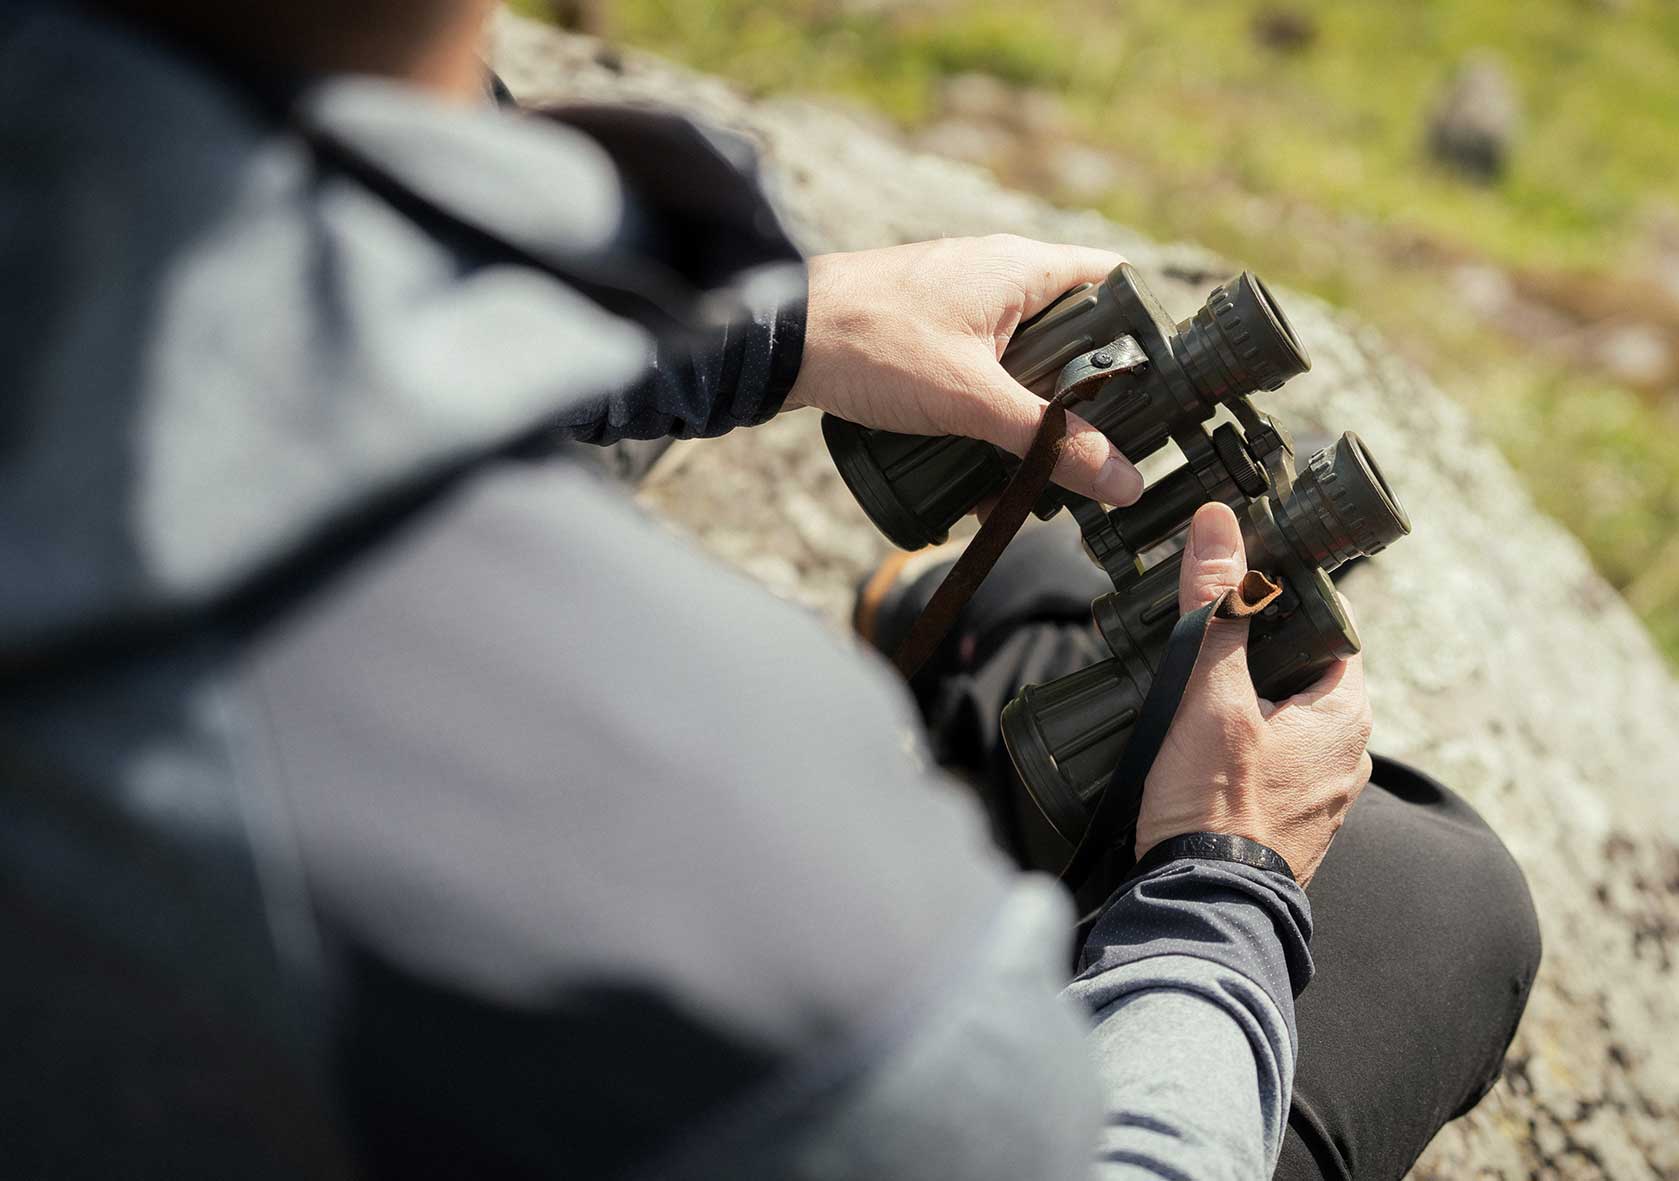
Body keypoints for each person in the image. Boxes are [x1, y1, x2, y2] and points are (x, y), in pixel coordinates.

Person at [0, 1, 1540, 1178]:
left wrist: (773, 324)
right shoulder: (740, 871)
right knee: (1431, 898)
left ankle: (1016, 643)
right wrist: (1222, 891)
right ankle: (1035, 689)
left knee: (1070, 591)